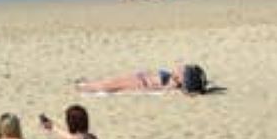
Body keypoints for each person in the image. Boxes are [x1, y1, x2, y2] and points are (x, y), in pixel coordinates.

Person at [75, 64, 206, 94]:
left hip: (140, 82)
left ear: (184, 78)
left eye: (183, 69)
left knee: (111, 85)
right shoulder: (173, 77)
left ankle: (86, 87)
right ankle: (88, 85)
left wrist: (144, 87)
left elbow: (157, 88)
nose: (181, 67)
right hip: (140, 78)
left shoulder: (173, 82)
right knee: (111, 81)